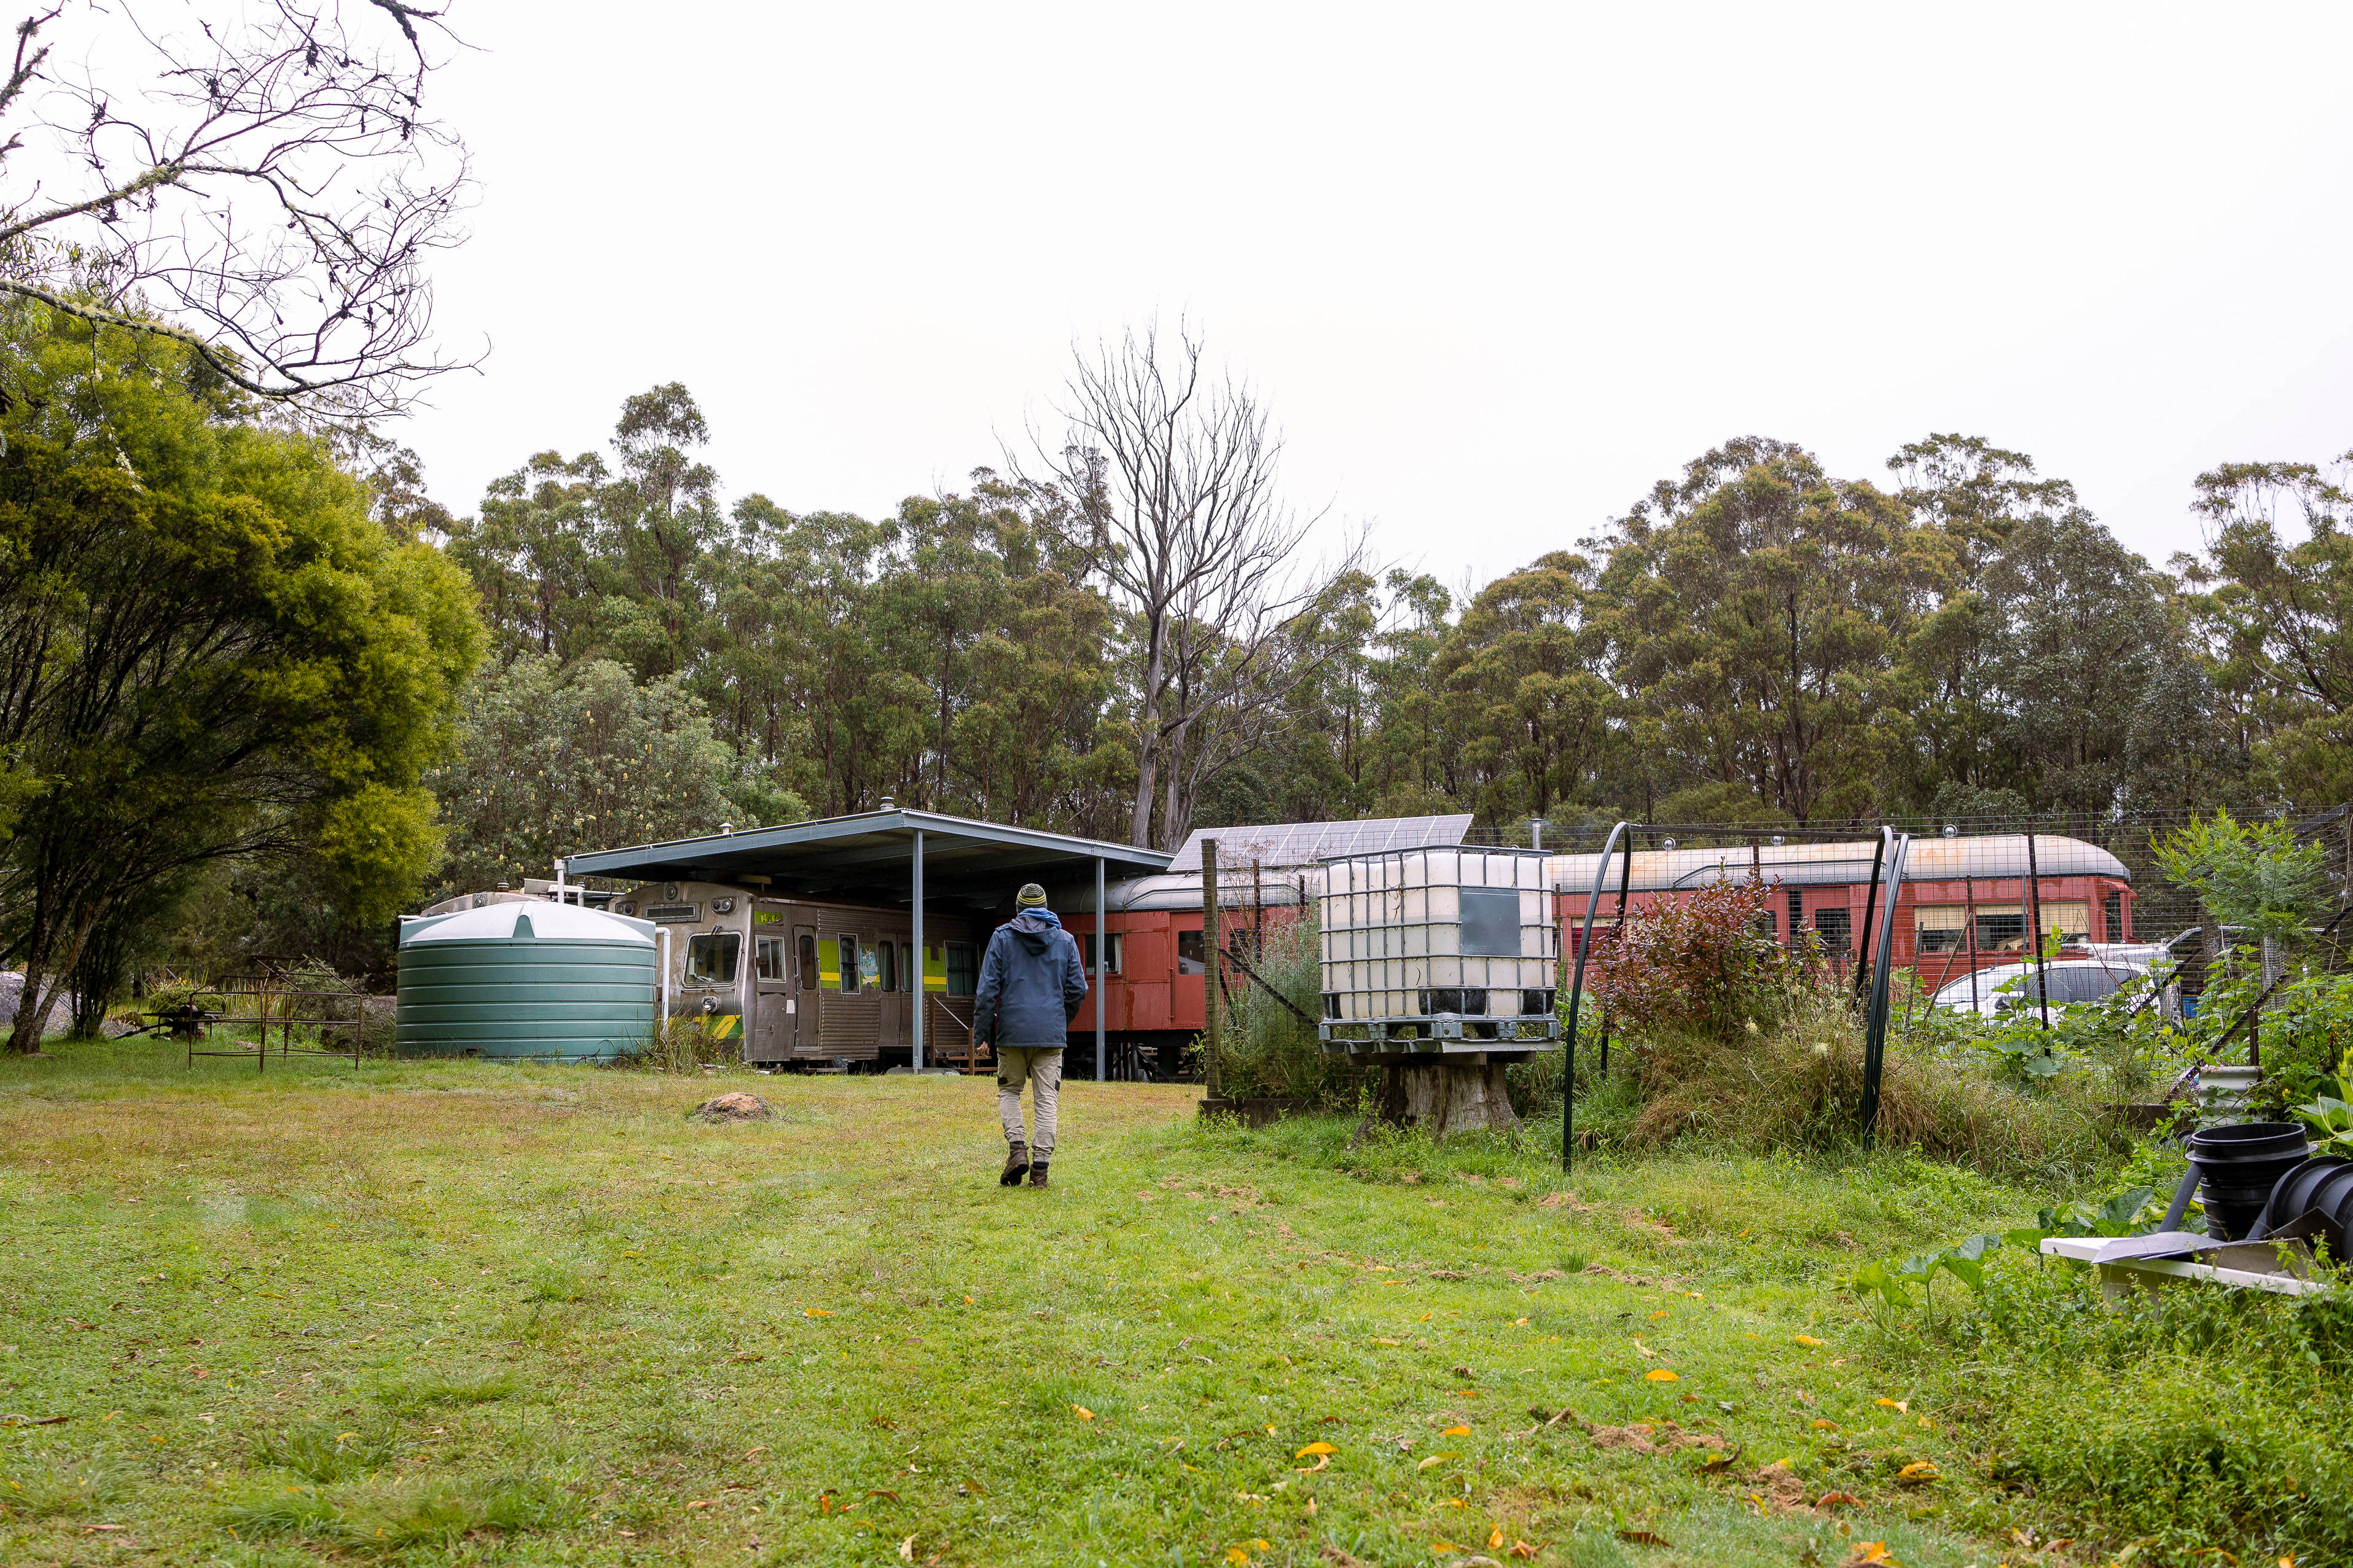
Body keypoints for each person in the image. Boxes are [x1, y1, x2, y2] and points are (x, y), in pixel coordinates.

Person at [972, 881, 1088, 1188]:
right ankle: (1040, 1170)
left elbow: (987, 992)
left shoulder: (1002, 938)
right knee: (1047, 1098)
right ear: (1046, 908)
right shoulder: (1065, 940)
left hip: (1011, 1033)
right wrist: (1060, 1021)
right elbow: (1078, 989)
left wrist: (982, 1034)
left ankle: (1017, 1149)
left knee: (1010, 1091)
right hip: (1050, 1035)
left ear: (1020, 909)